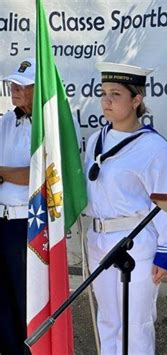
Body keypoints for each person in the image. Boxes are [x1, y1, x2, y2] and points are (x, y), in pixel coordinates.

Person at [84, 62, 167, 355]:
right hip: (99, 236)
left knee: (135, 324)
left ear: (136, 100)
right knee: (108, 321)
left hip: (135, 240)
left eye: (116, 94)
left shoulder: (153, 147)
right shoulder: (95, 140)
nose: (107, 101)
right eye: (103, 94)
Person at [0, 58, 35, 355]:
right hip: (3, 223)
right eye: (14, 83)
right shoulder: (5, 121)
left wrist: (3, 172)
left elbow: (37, 176)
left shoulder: (50, 124)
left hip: (29, 225)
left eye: (23, 85)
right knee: (3, 304)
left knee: (27, 302)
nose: (15, 89)